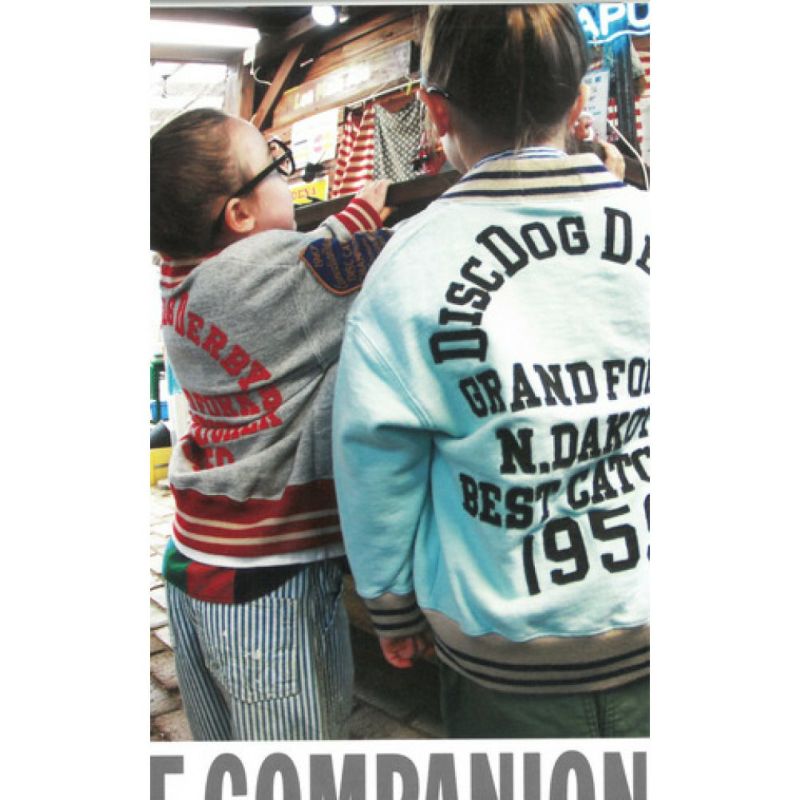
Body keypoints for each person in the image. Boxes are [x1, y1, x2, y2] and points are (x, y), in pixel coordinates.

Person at [332, 4, 650, 738]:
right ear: (579, 101)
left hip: (502, 657)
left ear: (436, 109)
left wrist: (390, 602)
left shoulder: (408, 264)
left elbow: (376, 459)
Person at [150, 107, 390, 740]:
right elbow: (394, 259)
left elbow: (305, 264)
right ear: (239, 215)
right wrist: (367, 216)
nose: (289, 176)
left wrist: (349, 219)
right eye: (277, 167)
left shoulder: (181, 273)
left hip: (198, 558)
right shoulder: (269, 280)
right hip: (265, 581)